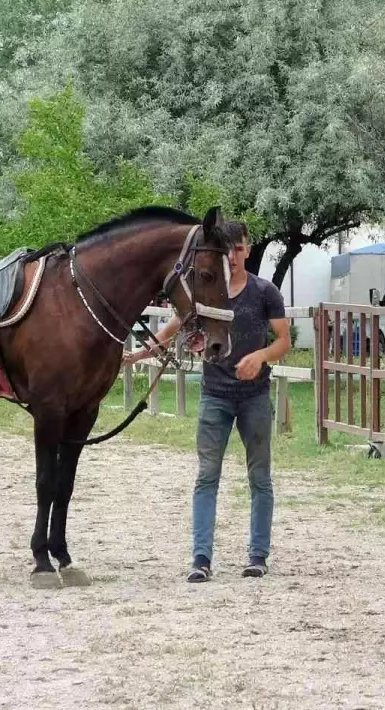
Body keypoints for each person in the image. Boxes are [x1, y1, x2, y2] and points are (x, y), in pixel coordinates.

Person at [124, 221, 290, 581]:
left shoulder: (265, 292)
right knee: (206, 475)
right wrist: (141, 354)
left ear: (248, 250)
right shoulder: (208, 291)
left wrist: (260, 357)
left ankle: (257, 555)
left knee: (259, 476)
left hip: (254, 396)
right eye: (227, 251)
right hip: (215, 395)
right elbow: (174, 324)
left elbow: (283, 341)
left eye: (239, 249)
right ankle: (201, 558)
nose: (233, 257)